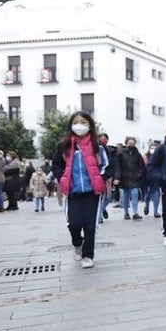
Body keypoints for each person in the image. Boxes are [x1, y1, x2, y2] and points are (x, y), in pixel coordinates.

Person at [50, 112, 109, 268]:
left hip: (93, 192)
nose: (79, 125)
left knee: (90, 225)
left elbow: (107, 165)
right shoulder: (64, 145)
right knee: (74, 224)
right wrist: (61, 178)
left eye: (83, 122)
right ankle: (77, 243)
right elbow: (56, 165)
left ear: (89, 125)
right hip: (72, 191)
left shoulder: (98, 145)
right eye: (76, 122)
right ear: (71, 125)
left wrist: (101, 179)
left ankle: (88, 255)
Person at [117, 137, 146, 220]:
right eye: (130, 143)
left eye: (133, 144)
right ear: (126, 144)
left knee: (135, 194)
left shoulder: (137, 154)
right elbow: (118, 166)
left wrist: (139, 174)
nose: (131, 145)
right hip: (124, 178)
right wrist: (119, 176)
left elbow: (142, 166)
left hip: (135, 178)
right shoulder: (121, 153)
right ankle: (126, 213)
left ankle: (135, 213)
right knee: (126, 196)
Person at [97, 133, 119, 223]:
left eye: (105, 138)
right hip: (97, 176)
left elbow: (115, 165)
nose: (103, 140)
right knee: (99, 197)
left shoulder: (111, 151)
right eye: (101, 138)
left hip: (108, 176)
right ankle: (99, 216)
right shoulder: (95, 149)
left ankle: (101, 209)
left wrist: (116, 176)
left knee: (108, 197)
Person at [143, 142, 162, 217]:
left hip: (156, 178)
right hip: (147, 178)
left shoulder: (160, 157)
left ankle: (156, 211)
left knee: (156, 193)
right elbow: (144, 167)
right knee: (148, 194)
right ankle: (146, 205)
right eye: (152, 148)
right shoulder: (146, 157)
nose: (153, 150)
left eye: (155, 148)